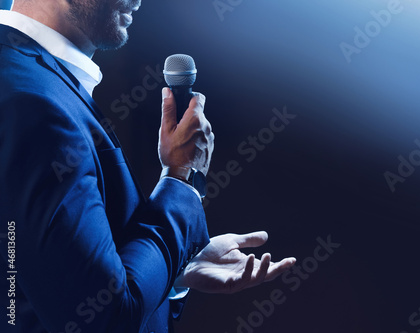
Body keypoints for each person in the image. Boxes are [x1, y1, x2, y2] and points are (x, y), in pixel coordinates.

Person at [0, 0, 296, 332]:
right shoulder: (33, 102)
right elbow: (104, 319)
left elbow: (51, 285)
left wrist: (173, 267)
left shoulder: (31, 78)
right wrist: (181, 179)